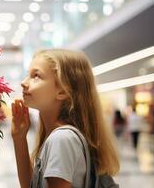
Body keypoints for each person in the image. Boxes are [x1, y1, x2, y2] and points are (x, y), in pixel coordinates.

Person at [11, 49, 120, 188]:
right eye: (28, 75)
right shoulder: (60, 137)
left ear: (62, 91)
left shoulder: (62, 139)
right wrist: (19, 137)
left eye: (36, 76)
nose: (24, 82)